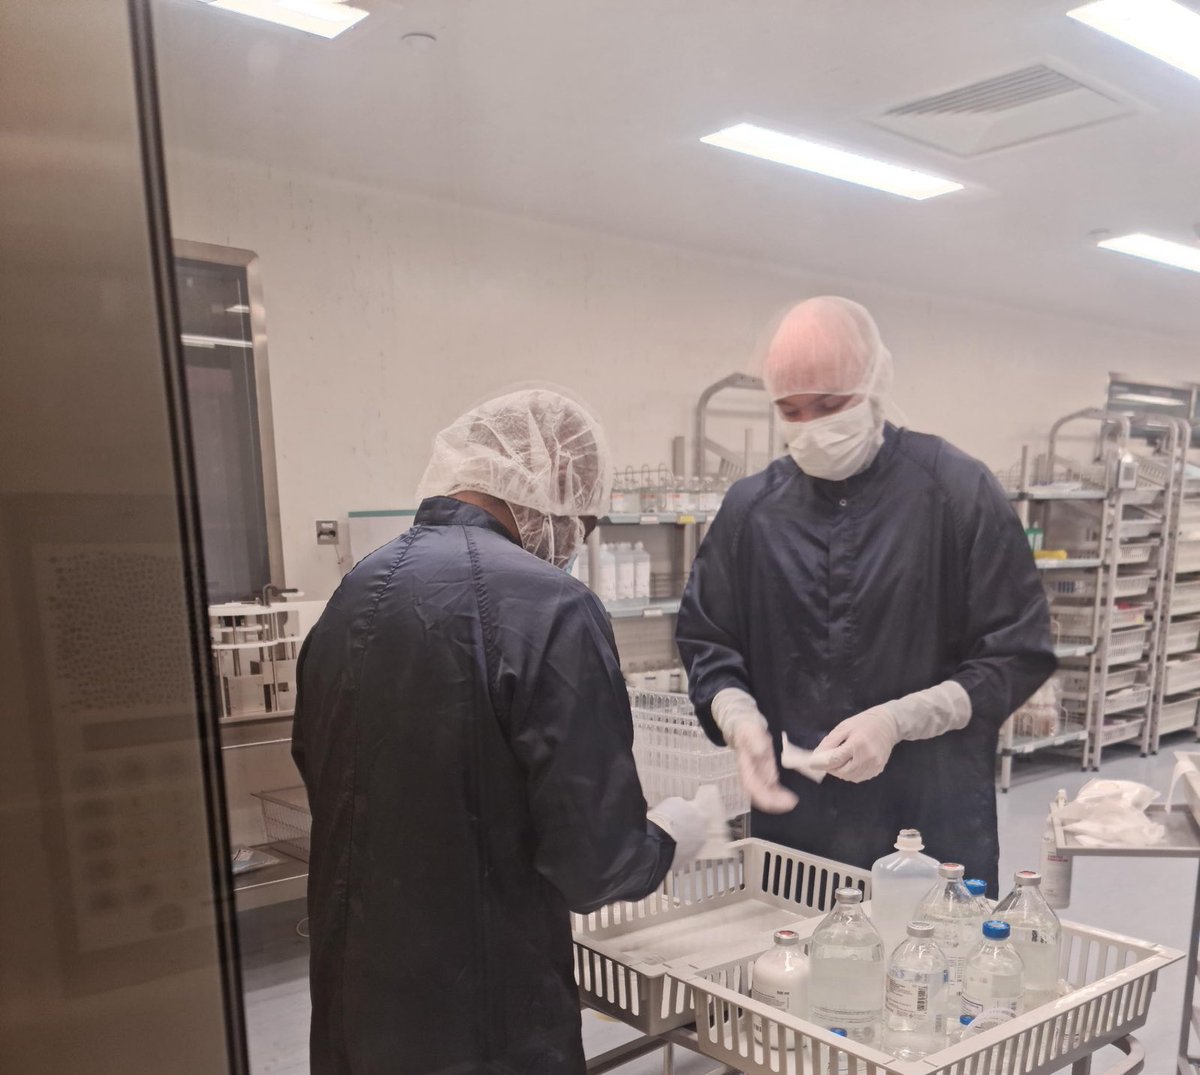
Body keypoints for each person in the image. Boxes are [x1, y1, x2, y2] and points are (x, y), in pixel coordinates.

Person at [292, 387, 713, 1074]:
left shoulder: (354, 590)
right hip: (484, 1014)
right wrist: (670, 837)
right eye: (586, 522)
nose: (576, 543)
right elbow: (593, 863)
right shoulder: (553, 607)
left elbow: (319, 762)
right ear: (558, 498)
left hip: (357, 992)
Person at [676, 297, 1055, 893]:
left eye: (830, 404)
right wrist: (738, 717)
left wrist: (901, 719)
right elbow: (707, 636)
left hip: (931, 813)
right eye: (791, 409)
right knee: (796, 967)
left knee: (928, 970)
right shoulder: (753, 510)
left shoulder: (955, 492)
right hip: (798, 818)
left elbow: (1016, 649)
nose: (812, 424)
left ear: (872, 385)